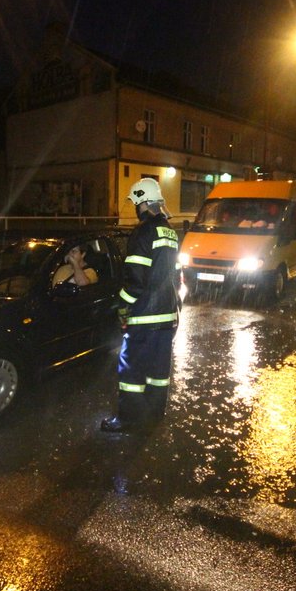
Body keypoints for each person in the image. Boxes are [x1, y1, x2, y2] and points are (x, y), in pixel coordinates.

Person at [101, 178, 181, 433]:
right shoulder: (170, 231)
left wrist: (122, 306)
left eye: (136, 203)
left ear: (143, 202)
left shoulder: (143, 233)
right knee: (159, 372)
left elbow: (136, 280)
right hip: (166, 316)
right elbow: (174, 274)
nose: (136, 208)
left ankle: (128, 419)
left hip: (144, 317)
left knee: (131, 371)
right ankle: (155, 414)